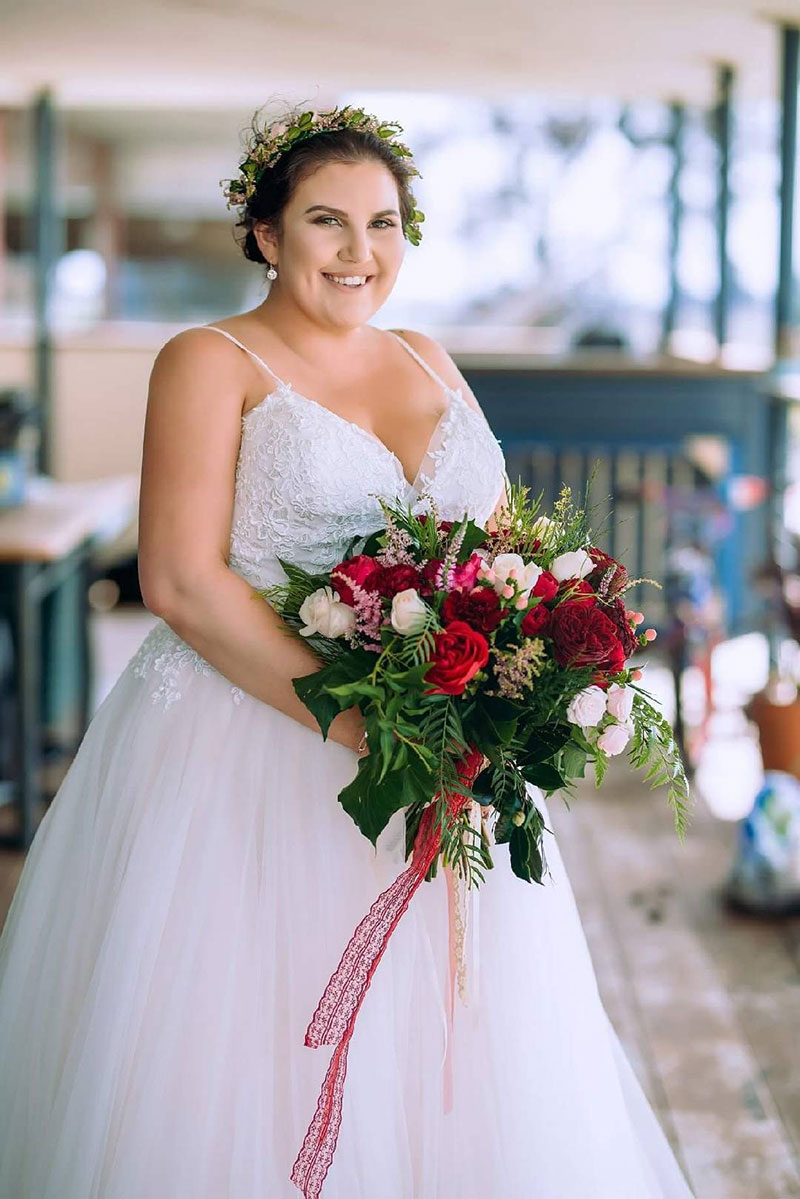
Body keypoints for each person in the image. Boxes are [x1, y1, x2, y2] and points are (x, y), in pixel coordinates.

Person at [0, 102, 695, 1198]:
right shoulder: (207, 358)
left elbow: (500, 545)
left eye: (383, 222)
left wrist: (513, 680)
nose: (358, 251)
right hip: (250, 735)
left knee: (457, 1032)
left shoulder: (426, 353)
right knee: (253, 1029)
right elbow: (180, 579)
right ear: (266, 233)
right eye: (326, 220)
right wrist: (365, 717)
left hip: (446, 740)